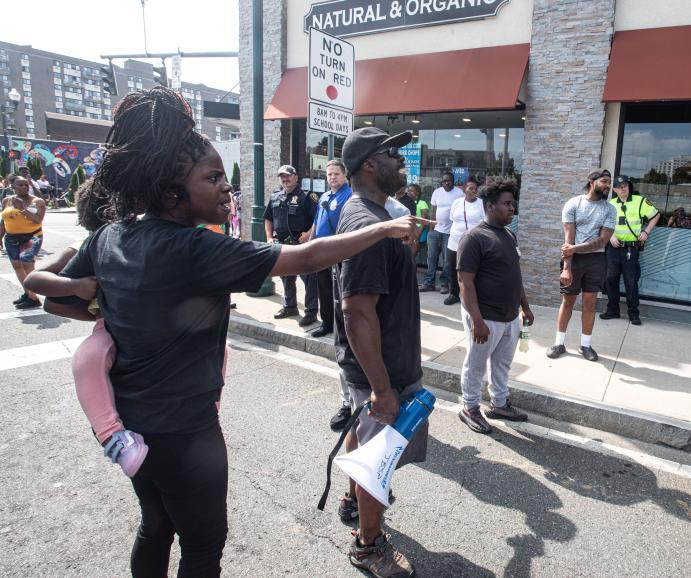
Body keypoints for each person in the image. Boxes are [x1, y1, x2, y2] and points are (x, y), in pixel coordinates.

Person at [21, 88, 420, 577]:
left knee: (155, 526)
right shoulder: (196, 249)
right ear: (173, 192)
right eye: (213, 179)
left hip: (130, 427)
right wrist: (380, 231)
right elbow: (305, 257)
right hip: (187, 433)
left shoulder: (111, 235)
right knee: (204, 546)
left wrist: (113, 309)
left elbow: (59, 299)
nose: (226, 189)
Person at [333, 127, 430, 578]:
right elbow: (356, 314)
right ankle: (368, 545)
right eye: (392, 153)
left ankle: (353, 499)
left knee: (362, 439)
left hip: (382, 370)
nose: (401, 159)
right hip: (381, 374)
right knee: (378, 463)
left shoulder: (377, 219)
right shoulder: (368, 224)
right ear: (369, 165)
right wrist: (381, 388)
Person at [25, 183, 149, 476]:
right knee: (87, 358)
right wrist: (78, 288)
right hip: (110, 327)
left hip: (146, 328)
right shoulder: (86, 244)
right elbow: (38, 285)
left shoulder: (140, 238)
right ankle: (113, 436)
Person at [456, 177, 534, 433]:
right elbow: (465, 284)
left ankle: (499, 404)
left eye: (513, 204)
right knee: (476, 365)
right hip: (485, 317)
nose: (512, 208)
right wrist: (477, 321)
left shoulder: (509, 235)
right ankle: (469, 407)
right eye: (507, 203)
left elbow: (515, 275)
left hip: (510, 317)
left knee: (502, 364)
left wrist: (525, 307)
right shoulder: (473, 238)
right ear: (490, 206)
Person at [548, 169, 616, 362]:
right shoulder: (573, 204)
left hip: (596, 260)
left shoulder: (610, 209)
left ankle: (585, 346)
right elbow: (568, 240)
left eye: (609, 182)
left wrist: (574, 249)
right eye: (604, 181)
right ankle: (559, 343)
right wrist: (567, 267)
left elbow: (602, 241)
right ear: (591, 182)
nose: (607, 185)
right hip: (574, 261)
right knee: (567, 302)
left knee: (590, 303)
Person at [600, 174, 660, 325]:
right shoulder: (610, 204)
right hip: (613, 248)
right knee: (611, 279)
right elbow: (603, 224)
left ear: (629, 186)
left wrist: (646, 232)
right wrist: (610, 237)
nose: (623, 188)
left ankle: (633, 313)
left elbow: (656, 215)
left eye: (625, 186)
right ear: (614, 189)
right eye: (619, 187)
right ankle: (613, 310)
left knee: (631, 282)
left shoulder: (639, 201)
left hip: (630, 249)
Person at [264, 164, 320, 327]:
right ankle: (290, 306)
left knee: (309, 279)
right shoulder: (275, 197)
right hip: (282, 245)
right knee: (286, 277)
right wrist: (269, 237)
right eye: (282, 176)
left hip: (300, 245)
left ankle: (311, 312)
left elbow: (318, 218)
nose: (285, 179)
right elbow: (268, 218)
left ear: (296, 177)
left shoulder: (307, 196)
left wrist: (309, 233)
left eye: (288, 176)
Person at [305, 159, 352, 341]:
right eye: (330, 174)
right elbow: (316, 223)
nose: (333, 177)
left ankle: (342, 327)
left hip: (339, 251)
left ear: (344, 175)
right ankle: (327, 323)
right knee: (324, 288)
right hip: (321, 251)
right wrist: (310, 244)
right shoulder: (324, 197)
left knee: (340, 292)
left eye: (336, 174)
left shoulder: (349, 196)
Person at [1, 175, 46, 309]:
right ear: (12, 186)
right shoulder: (6, 201)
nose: (24, 187)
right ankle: (28, 294)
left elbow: (38, 220)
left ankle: (33, 298)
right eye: (20, 185)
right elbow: (4, 220)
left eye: (26, 184)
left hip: (32, 237)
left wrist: (22, 209)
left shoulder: (37, 201)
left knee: (27, 265)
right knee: (17, 266)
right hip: (11, 238)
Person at [443, 176, 485, 306]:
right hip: (454, 242)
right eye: (470, 188)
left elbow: (485, 222)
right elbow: (452, 219)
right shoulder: (457, 203)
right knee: (452, 268)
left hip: (473, 243)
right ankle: (454, 294)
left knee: (473, 270)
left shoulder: (481, 203)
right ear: (464, 189)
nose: (473, 191)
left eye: (475, 189)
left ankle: (473, 295)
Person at [420, 171, 463, 293]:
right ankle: (429, 283)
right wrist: (430, 231)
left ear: (453, 181)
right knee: (431, 258)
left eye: (448, 180)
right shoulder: (437, 192)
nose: (446, 183)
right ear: (441, 182)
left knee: (447, 260)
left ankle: (445, 284)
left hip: (450, 233)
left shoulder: (459, 193)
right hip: (435, 231)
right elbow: (433, 211)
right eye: (444, 181)